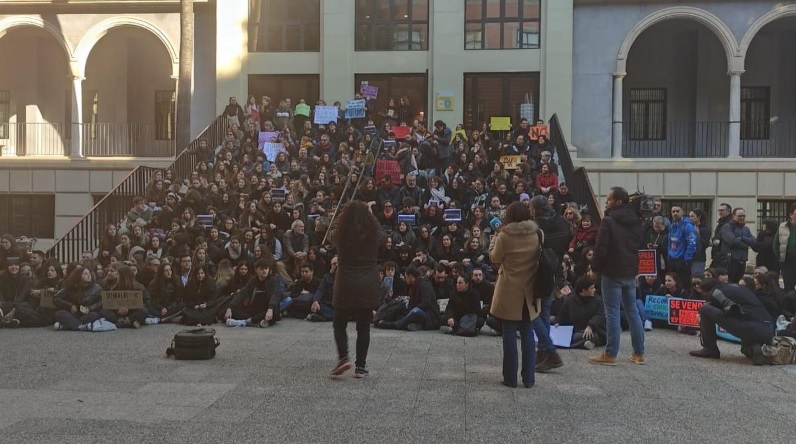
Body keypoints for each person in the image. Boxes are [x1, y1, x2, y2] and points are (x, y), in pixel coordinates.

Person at [326, 200, 386, 378]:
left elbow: (330, 233)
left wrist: (342, 216)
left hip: (345, 281)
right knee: (363, 326)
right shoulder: (373, 233)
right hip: (367, 283)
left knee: (339, 322)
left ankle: (343, 357)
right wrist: (370, 214)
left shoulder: (340, 234)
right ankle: (360, 367)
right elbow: (383, 235)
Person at [589, 187, 646, 366]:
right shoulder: (637, 219)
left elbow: (601, 248)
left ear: (618, 201)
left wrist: (594, 268)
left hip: (612, 270)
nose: (607, 201)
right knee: (632, 311)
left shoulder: (609, 220)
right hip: (630, 270)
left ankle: (610, 353)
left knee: (612, 312)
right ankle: (639, 353)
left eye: (609, 199)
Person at [489, 201, 541, 388]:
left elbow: (494, 258)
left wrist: (492, 243)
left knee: (509, 332)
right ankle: (529, 378)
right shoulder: (536, 234)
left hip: (509, 288)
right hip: (530, 289)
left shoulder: (504, 235)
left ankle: (510, 378)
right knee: (527, 332)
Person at [689, 278, 774, 366]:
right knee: (744, 349)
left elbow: (732, 309)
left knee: (705, 309)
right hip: (767, 329)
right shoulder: (735, 286)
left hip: (749, 326)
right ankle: (754, 348)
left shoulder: (715, 293)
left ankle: (710, 349)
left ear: (705, 291)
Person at [556, 276, 606, 349]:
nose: (594, 290)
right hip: (577, 330)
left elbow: (600, 315)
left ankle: (569, 343)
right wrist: (558, 322)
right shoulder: (570, 301)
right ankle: (584, 344)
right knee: (571, 336)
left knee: (583, 336)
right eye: (591, 288)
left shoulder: (598, 301)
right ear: (583, 291)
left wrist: (590, 326)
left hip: (595, 331)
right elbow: (562, 315)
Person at [717, 208, 756, 283]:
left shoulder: (746, 229)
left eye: (743, 216)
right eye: (739, 216)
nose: (742, 218)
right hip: (731, 261)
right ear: (733, 216)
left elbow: (754, 242)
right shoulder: (727, 227)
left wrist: (742, 238)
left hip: (742, 261)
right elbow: (732, 241)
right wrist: (747, 244)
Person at [773, 203, 796, 293]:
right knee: (788, 287)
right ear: (790, 215)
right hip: (787, 263)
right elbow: (775, 244)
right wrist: (780, 257)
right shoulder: (783, 227)